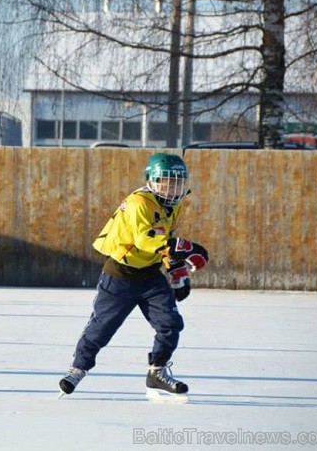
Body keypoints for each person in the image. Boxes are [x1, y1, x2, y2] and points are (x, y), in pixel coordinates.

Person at [58, 153, 209, 402]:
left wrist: (174, 268)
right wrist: (183, 248)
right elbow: (145, 239)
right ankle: (78, 368)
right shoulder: (139, 202)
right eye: (166, 181)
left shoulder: (173, 204)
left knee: (170, 323)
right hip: (120, 274)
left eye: (177, 182)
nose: (172, 188)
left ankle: (157, 372)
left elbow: (163, 238)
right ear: (151, 180)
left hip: (150, 275)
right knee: (101, 328)